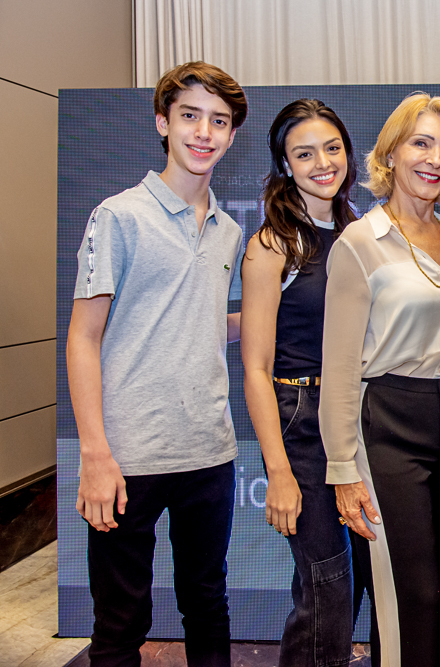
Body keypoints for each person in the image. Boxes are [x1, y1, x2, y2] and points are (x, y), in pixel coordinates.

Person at [66, 61, 247, 667]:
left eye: (218, 121)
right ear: (162, 123)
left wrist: (287, 321)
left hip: (209, 452)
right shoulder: (118, 216)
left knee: (208, 604)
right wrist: (95, 454)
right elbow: (83, 338)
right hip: (128, 458)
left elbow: (196, 324)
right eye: (190, 116)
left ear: (230, 134)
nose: (204, 132)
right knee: (120, 624)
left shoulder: (227, 230)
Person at [318, 92, 440, 667]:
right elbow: (337, 369)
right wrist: (343, 469)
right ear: (391, 152)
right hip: (388, 424)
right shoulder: (359, 244)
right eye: (420, 143)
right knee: (412, 595)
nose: (434, 159)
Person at [241, 99, 358, 666]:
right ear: (286, 166)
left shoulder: (358, 230)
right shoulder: (272, 244)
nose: (322, 163)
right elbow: (256, 369)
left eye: (331, 148)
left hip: (357, 415)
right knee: (327, 581)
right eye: (304, 154)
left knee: (350, 583)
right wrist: (280, 473)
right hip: (300, 416)